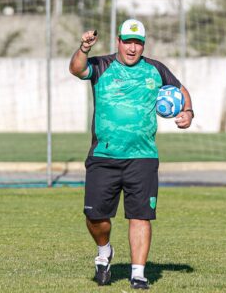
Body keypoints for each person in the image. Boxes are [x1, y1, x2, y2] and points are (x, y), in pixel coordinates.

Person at [69, 18, 194, 289]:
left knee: (141, 216)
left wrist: (188, 112)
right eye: (128, 41)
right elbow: (76, 69)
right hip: (104, 155)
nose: (133, 48)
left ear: (143, 45)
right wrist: (83, 48)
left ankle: (138, 273)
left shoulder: (156, 70)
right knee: (95, 216)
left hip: (143, 156)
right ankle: (104, 252)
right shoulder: (101, 66)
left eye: (138, 43)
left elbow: (181, 91)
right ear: (118, 41)